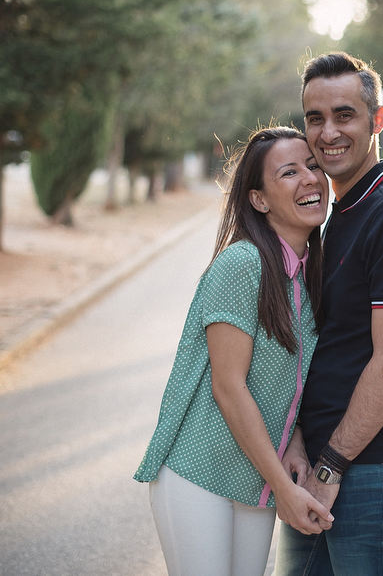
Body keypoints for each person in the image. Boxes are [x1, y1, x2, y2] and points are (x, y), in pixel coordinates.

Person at [134, 126, 334, 575]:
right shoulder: (242, 264)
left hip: (254, 480)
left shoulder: (306, 274)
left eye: (314, 166)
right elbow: (229, 387)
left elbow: (291, 380)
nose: (309, 178)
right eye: (289, 172)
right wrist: (284, 487)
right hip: (197, 473)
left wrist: (295, 442)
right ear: (259, 199)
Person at [275, 53, 383, 575]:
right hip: (324, 467)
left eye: (344, 115)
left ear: (377, 120)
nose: (328, 133)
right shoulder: (337, 213)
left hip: (371, 472)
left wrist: (331, 465)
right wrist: (301, 440)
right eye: (315, 118)